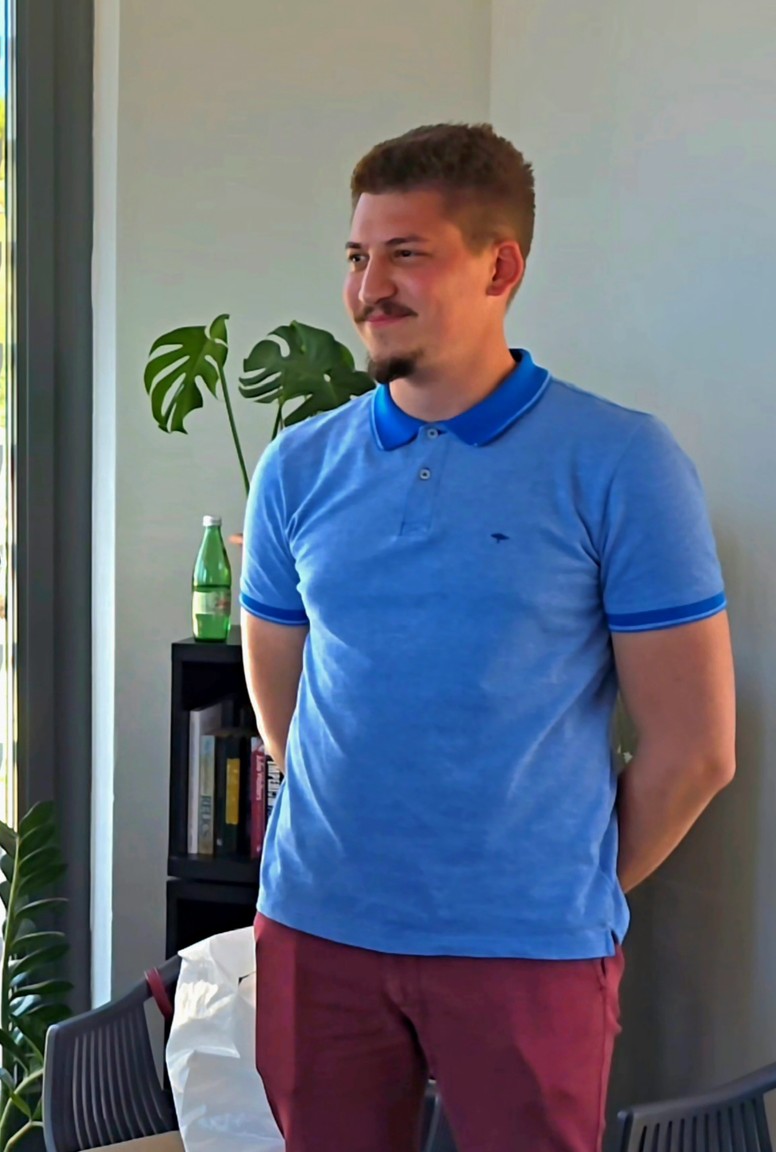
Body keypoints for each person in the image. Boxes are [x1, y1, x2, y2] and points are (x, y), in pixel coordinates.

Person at [240, 123, 736, 1151]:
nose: (368, 288)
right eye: (356, 255)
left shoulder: (620, 462)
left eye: (405, 254)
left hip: (527, 949)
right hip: (319, 931)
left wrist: (558, 883)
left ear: (499, 267)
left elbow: (695, 750)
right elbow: (282, 704)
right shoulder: (297, 466)